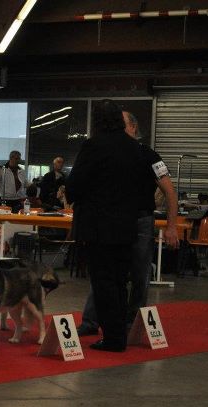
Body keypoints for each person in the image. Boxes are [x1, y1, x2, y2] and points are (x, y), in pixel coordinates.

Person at [76, 110, 179, 338]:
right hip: (113, 220)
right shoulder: (109, 153)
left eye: (121, 124)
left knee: (140, 274)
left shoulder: (148, 155)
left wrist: (172, 227)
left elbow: (170, 192)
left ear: (133, 127)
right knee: (104, 272)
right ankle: (92, 320)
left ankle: (132, 323)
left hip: (141, 220)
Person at [66, 99, 146, 352]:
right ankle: (119, 334)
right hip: (127, 226)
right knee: (121, 282)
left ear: (98, 120)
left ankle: (112, 338)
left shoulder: (94, 146)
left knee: (103, 282)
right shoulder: (135, 148)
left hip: (98, 227)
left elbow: (74, 186)